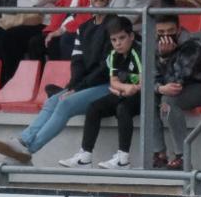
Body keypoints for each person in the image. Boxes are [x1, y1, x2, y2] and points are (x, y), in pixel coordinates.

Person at [0, 0, 115, 164]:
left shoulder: (116, 25)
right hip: (87, 85)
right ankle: (23, 141)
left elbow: (106, 67)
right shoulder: (84, 28)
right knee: (53, 100)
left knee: (65, 104)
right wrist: (74, 86)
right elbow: (77, 61)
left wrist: (79, 87)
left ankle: (28, 150)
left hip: (110, 85)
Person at [60, 16, 150, 170]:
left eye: (122, 38)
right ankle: (85, 156)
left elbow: (143, 84)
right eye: (114, 40)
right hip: (125, 91)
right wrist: (123, 89)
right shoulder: (114, 55)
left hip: (145, 95)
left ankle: (123, 159)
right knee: (94, 107)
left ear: (132, 36)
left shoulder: (139, 51)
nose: (118, 43)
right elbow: (113, 81)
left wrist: (124, 89)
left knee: (123, 109)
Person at [151, 14, 201, 170]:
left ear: (178, 30)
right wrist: (158, 87)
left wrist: (165, 57)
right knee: (149, 98)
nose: (166, 36)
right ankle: (159, 153)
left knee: (168, 101)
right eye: (161, 32)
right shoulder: (154, 46)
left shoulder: (192, 46)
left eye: (170, 31)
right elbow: (149, 78)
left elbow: (176, 82)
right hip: (181, 89)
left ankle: (182, 156)